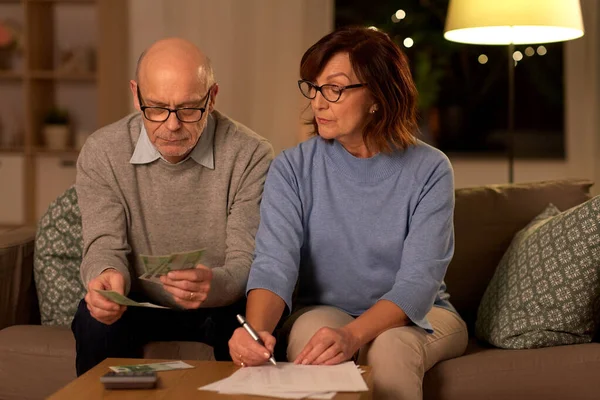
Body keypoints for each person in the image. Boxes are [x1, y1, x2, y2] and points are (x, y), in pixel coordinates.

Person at [228, 27, 468, 399]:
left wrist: (354, 335)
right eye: (314, 87)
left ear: (377, 95)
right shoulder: (292, 168)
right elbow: (275, 265)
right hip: (324, 309)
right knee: (314, 341)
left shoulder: (431, 169)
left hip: (420, 314)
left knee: (390, 348)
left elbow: (418, 285)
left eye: (335, 89)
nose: (318, 103)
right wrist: (254, 331)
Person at [72, 38, 273, 376]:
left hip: (220, 304)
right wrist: (107, 277)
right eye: (157, 107)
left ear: (212, 98)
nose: (172, 124)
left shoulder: (250, 154)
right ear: (136, 95)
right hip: (138, 302)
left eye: (189, 108)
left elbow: (246, 261)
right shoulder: (102, 151)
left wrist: (216, 283)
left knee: (247, 335)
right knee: (92, 322)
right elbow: (104, 244)